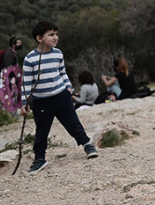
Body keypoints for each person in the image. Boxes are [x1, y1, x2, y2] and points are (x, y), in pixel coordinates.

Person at [20, 20, 99, 173]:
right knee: (42, 131)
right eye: (51, 35)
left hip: (61, 96)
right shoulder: (30, 59)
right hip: (41, 102)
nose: (55, 37)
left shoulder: (58, 53)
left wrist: (68, 87)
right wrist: (25, 102)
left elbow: (62, 72)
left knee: (73, 124)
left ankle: (88, 145)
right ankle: (39, 159)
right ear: (39, 38)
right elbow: (26, 83)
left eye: (56, 34)